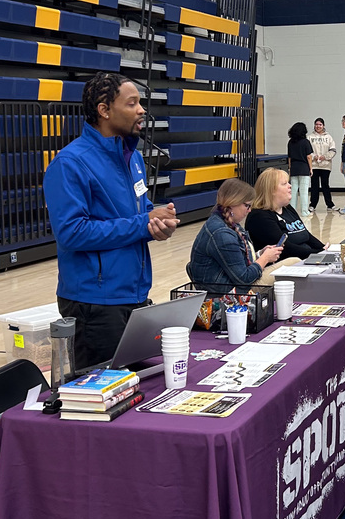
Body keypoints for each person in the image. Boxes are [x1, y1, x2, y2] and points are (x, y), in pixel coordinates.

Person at [43, 72, 179, 369]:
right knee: (103, 399)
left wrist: (158, 224)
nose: (141, 110)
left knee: (140, 389)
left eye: (140, 103)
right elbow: (71, 233)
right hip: (94, 305)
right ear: (104, 110)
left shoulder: (133, 158)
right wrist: (142, 224)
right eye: (132, 103)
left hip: (135, 294)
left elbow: (138, 213)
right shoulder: (69, 164)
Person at [187, 178, 283, 292]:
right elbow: (244, 279)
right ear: (233, 203)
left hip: (229, 286)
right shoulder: (222, 233)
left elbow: (237, 261)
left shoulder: (225, 223)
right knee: (292, 264)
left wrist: (259, 254)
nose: (249, 210)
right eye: (247, 206)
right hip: (230, 293)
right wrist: (265, 258)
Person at [245, 168, 325, 260]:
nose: (290, 186)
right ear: (271, 190)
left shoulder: (287, 209)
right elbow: (286, 249)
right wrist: (318, 254)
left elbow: (307, 236)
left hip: (305, 257)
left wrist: (325, 249)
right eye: (284, 184)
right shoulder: (259, 217)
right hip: (287, 263)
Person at [308, 117, 337, 211]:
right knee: (314, 186)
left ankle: (330, 205)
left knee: (325, 185)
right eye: (316, 124)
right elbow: (307, 150)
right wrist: (314, 156)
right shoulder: (310, 137)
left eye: (320, 124)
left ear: (323, 125)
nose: (318, 126)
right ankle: (312, 205)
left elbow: (333, 150)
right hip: (314, 165)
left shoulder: (328, 137)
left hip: (325, 165)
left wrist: (325, 157)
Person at [287, 122, 313, 217]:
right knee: (304, 191)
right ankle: (304, 211)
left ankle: (292, 211)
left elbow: (289, 157)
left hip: (294, 168)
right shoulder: (305, 142)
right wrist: (311, 168)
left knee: (293, 191)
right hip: (304, 168)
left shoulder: (290, 142)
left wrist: (290, 168)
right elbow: (309, 157)